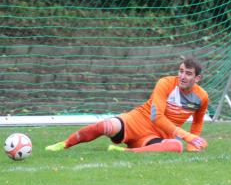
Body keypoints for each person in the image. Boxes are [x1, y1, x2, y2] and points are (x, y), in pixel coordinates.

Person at [46, 57, 209, 154]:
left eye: (188, 74)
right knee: (106, 126)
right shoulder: (165, 83)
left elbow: (197, 121)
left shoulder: (201, 97)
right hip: (136, 121)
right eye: (180, 71)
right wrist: (188, 136)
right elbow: (156, 116)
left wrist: (192, 143)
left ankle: (126, 152)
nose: (182, 76)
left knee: (176, 146)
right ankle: (64, 144)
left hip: (155, 137)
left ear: (197, 78)